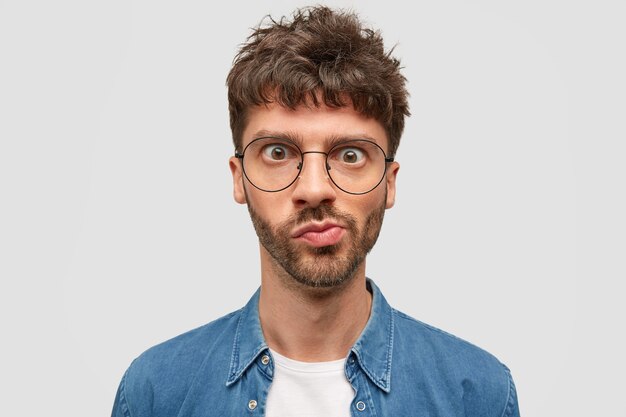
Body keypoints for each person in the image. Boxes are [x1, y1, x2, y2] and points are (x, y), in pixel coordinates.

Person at [111, 6, 520, 417]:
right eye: (277, 152)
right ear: (239, 178)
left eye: (350, 154)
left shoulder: (478, 394)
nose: (314, 189)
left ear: (389, 182)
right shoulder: (154, 392)